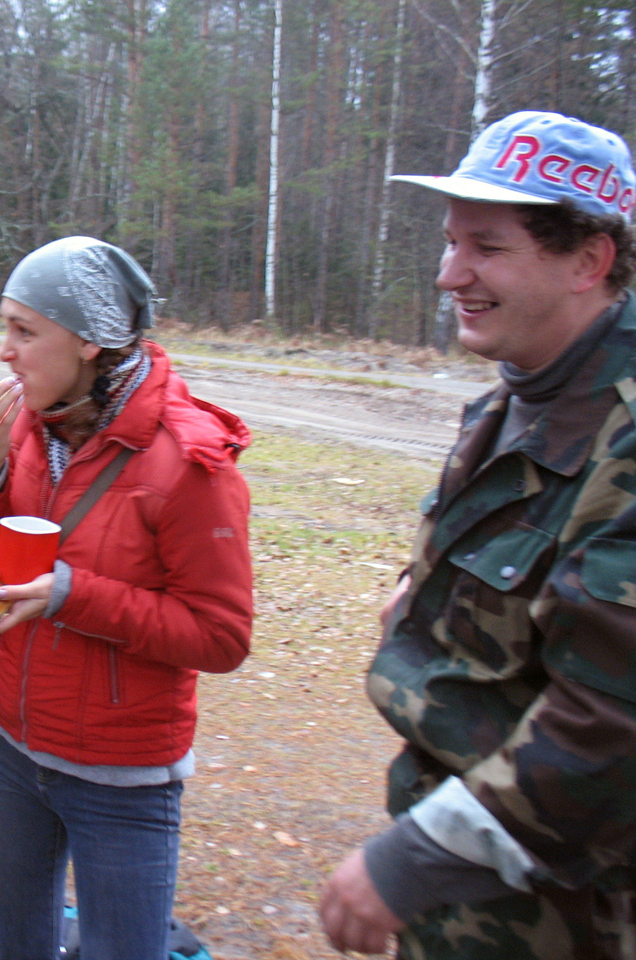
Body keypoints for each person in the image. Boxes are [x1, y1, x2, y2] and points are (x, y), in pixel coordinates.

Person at [319, 111, 636, 959]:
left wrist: (417, 859)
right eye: (451, 243)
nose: (449, 274)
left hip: (575, 915)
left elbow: (615, 721)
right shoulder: (514, 399)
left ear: (589, 261)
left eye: (486, 248)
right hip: (473, 900)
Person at [0, 236, 253, 960]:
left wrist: (70, 594)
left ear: (90, 342)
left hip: (121, 776)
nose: (4, 352)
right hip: (10, 745)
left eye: (25, 331)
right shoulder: (28, 424)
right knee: (15, 949)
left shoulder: (188, 461)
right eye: (5, 327)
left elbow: (221, 636)